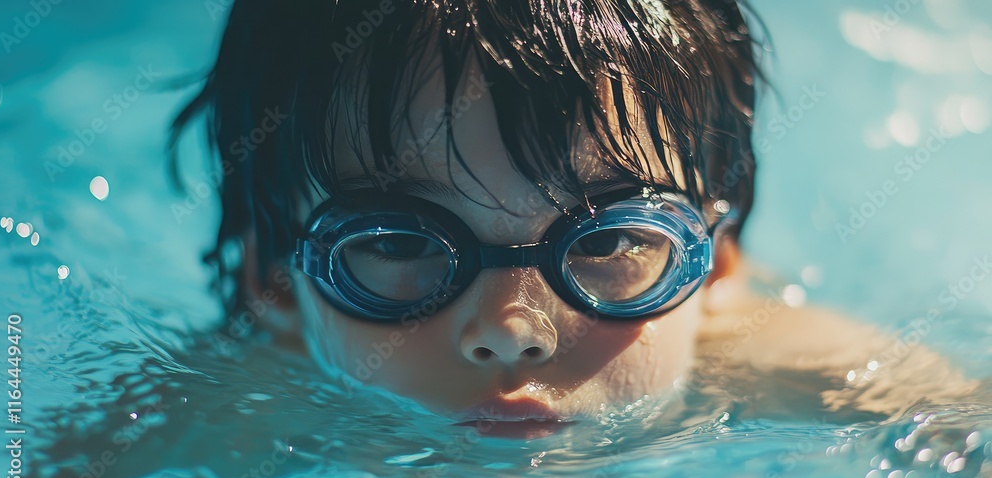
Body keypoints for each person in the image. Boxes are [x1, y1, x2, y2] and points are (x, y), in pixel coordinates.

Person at [168, 0, 982, 431]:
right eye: (399, 241)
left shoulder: (788, 366)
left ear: (718, 264)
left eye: (613, 239)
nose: (511, 330)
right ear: (272, 281)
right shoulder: (229, 413)